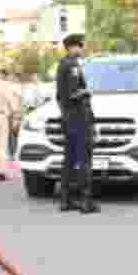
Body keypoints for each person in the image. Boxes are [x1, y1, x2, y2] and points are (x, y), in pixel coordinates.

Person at [56, 33, 97, 213]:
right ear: (72, 47)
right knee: (84, 159)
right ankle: (86, 201)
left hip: (68, 118)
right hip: (79, 118)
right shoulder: (72, 66)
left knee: (70, 160)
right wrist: (86, 92)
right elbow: (72, 94)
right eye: (80, 46)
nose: (82, 49)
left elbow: (60, 96)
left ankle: (66, 200)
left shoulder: (62, 65)